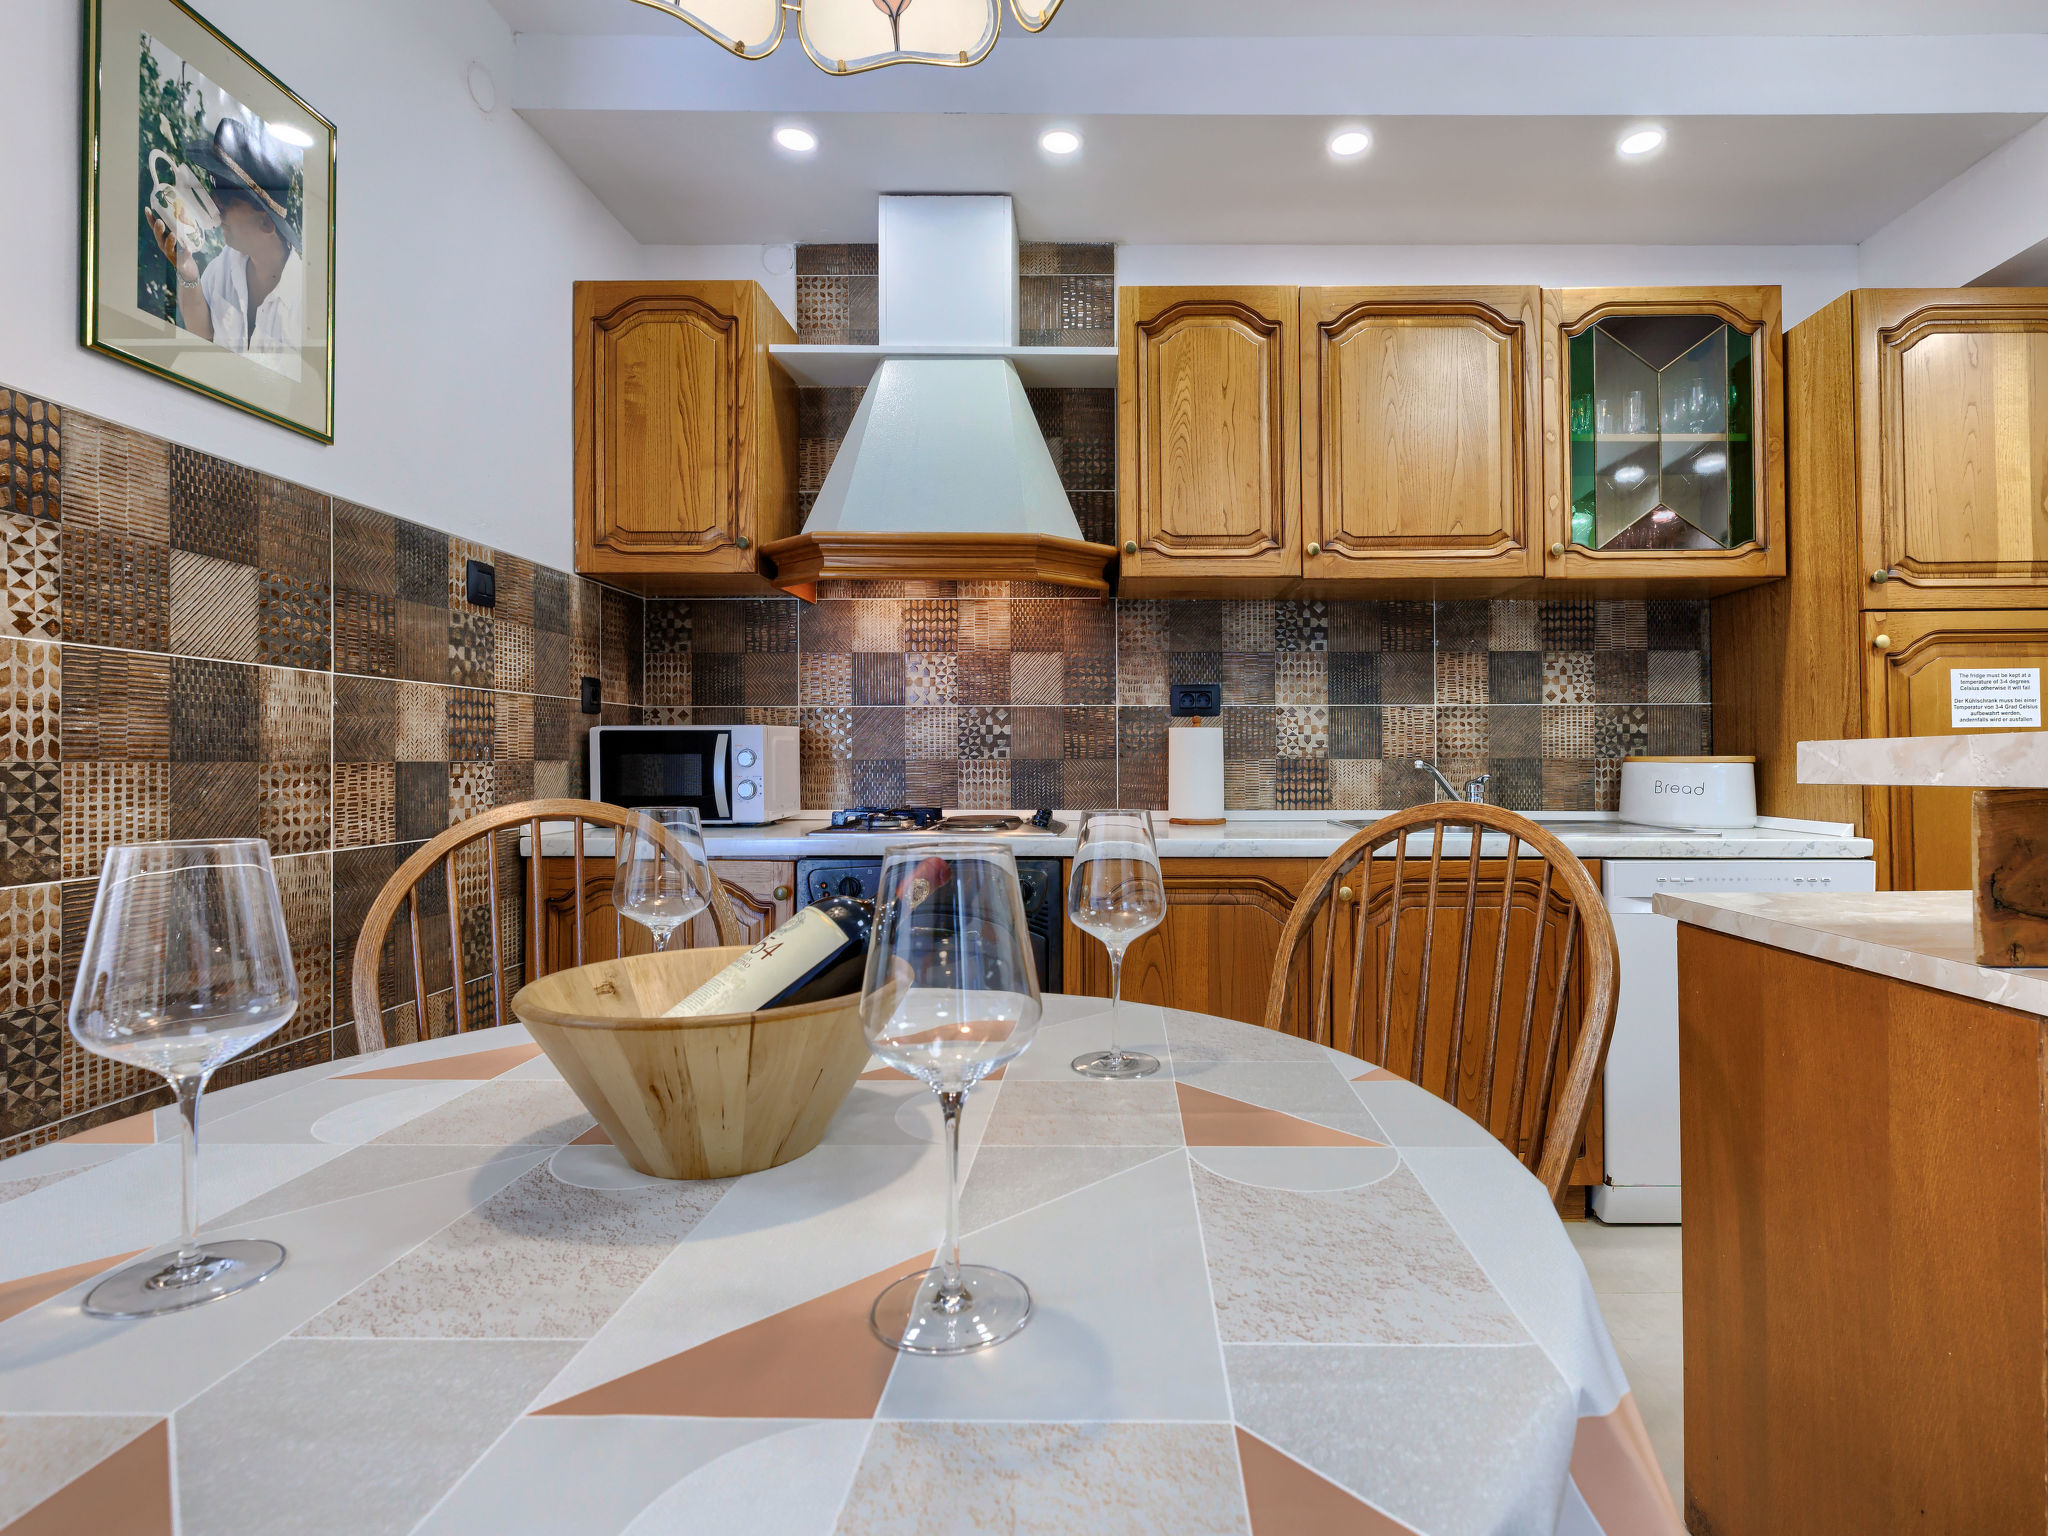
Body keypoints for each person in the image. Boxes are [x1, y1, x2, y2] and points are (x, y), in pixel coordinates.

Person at [146, 117, 303, 377]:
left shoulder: (302, 302)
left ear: (266, 224)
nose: (215, 201)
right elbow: (204, 334)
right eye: (214, 186)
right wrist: (188, 273)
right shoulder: (225, 266)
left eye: (228, 194)